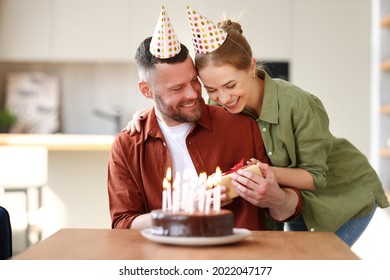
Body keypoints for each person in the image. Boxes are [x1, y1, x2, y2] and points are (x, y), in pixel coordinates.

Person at [126, 6, 389, 246]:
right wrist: (150, 114)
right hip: (294, 203)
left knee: (313, 268)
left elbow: (316, 177)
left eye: (231, 85)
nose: (223, 98)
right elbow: (180, 108)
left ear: (251, 67)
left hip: (342, 197)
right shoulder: (217, 104)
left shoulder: (299, 104)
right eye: (212, 90)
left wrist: (263, 171)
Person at [108, 6, 302, 231]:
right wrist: (185, 208)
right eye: (177, 88)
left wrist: (276, 198)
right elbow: (123, 225)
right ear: (146, 91)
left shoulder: (242, 126)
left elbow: (283, 212)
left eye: (193, 81)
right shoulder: (127, 146)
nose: (192, 94)